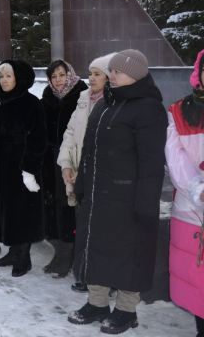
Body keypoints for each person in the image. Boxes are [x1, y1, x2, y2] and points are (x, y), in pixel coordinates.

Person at [68, 49, 167, 334]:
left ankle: (126, 310)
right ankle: (97, 303)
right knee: (96, 250)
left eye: (117, 71)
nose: (111, 75)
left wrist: (145, 204)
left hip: (128, 199)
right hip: (99, 197)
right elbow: (89, 151)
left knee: (129, 255)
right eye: (110, 70)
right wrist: (82, 186)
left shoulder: (148, 108)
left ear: (134, 75)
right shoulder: (106, 105)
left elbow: (151, 163)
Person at [57, 53, 114, 292]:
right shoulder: (83, 99)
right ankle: (85, 273)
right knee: (84, 227)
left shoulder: (114, 103)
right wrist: (67, 165)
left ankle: (106, 280)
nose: (91, 78)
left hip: (102, 180)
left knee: (105, 232)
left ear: (110, 77)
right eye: (90, 73)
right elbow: (70, 134)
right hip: (79, 176)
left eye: (97, 74)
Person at [0, 60, 46, 277]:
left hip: (21, 171)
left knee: (23, 214)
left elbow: (39, 141)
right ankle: (13, 252)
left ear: (19, 78)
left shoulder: (32, 104)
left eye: (8, 76)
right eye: (1, 76)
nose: (3, 80)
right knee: (7, 212)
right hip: (1, 170)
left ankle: (24, 257)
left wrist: (29, 170)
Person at [164, 48, 204, 337]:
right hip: (192, 213)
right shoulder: (179, 111)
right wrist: (197, 188)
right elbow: (175, 157)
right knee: (198, 289)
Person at [40, 60, 88, 277]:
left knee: (68, 206)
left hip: (71, 160)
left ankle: (69, 254)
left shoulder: (82, 95)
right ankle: (59, 251)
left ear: (69, 75)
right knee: (53, 204)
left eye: (61, 75)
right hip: (50, 160)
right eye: (54, 76)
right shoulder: (47, 98)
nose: (58, 80)